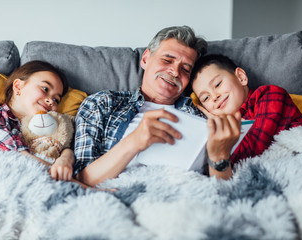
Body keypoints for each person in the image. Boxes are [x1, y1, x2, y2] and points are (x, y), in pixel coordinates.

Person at [74, 25, 208, 187]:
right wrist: (134, 142)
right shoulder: (102, 103)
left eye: (185, 69)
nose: (175, 72)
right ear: (145, 59)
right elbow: (80, 181)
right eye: (167, 60)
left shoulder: (200, 113)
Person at [190, 54, 302, 180]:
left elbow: (255, 147)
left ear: (241, 77)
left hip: (298, 168)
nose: (214, 96)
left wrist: (220, 153)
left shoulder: (270, 94)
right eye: (206, 98)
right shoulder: (217, 128)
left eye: (218, 84)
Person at [0, 60, 75, 182]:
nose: (51, 101)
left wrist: (65, 159)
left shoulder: (47, 125)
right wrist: (78, 184)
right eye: (45, 89)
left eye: (56, 99)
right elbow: (17, 153)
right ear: (18, 86)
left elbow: (62, 145)